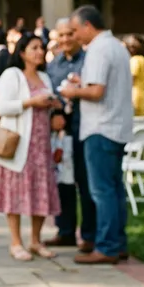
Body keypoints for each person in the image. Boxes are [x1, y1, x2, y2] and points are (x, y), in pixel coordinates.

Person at [62, 5, 134, 264]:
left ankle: (106, 246)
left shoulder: (98, 49)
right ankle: (118, 242)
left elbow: (96, 91)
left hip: (100, 127)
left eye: (75, 30)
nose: (74, 36)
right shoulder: (117, 45)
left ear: (88, 26)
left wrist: (72, 92)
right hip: (117, 126)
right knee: (115, 189)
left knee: (102, 190)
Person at [0, 33, 62, 261]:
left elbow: (47, 106)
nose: (40, 52)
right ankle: (15, 241)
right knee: (15, 192)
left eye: (41, 48)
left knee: (40, 192)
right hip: (18, 143)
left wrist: (53, 105)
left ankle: (35, 240)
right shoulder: (12, 75)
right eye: (34, 48)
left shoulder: (44, 77)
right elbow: (2, 106)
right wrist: (31, 102)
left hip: (42, 144)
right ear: (22, 52)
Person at [45, 18, 95, 251]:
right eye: (61, 35)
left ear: (77, 35)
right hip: (59, 132)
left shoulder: (88, 61)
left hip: (83, 129)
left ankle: (88, 234)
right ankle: (65, 231)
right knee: (62, 182)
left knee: (85, 183)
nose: (65, 39)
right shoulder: (53, 65)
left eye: (69, 34)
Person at [123, 35, 144, 117]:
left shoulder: (134, 60)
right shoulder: (142, 59)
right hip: (143, 96)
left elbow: (130, 79)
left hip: (134, 96)